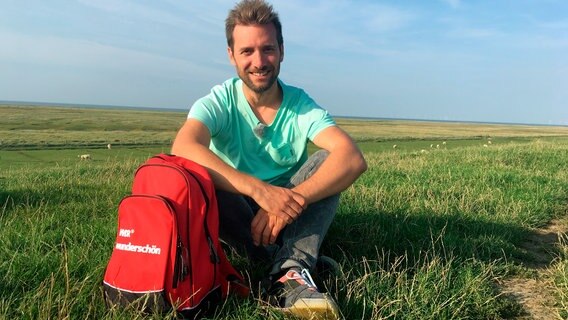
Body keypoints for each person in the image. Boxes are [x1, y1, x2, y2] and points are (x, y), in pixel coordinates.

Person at [171, 0, 367, 318]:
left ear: (282, 50)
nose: (259, 61)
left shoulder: (300, 104)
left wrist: (291, 200)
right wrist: (259, 191)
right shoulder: (220, 100)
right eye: (247, 51)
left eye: (268, 49)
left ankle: (289, 272)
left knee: (327, 161)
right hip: (239, 212)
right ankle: (292, 260)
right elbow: (184, 146)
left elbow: (352, 158)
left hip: (290, 215)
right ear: (231, 55)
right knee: (199, 172)